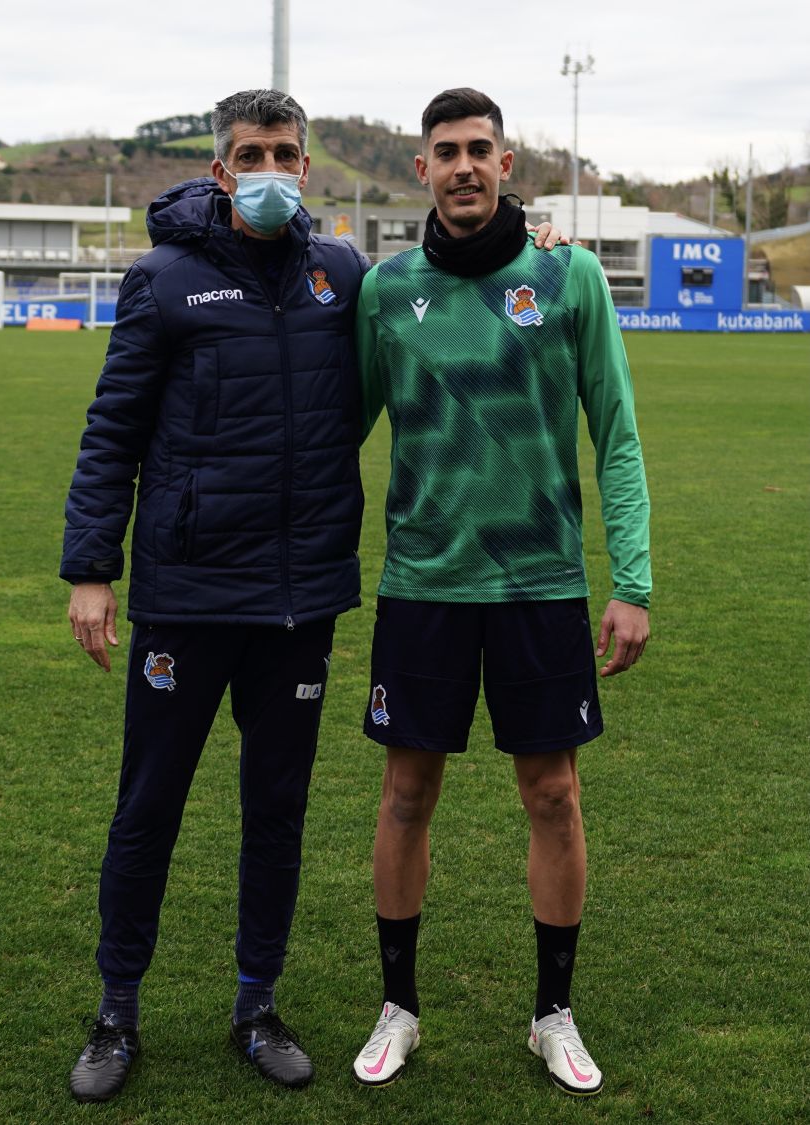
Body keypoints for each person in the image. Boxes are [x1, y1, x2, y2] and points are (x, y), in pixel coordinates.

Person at [61, 87, 565, 1104]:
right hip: (189, 595)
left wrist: (532, 245)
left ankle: (256, 1003)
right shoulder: (161, 281)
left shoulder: (344, 276)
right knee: (147, 807)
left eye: (285, 154)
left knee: (275, 812)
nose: (269, 171)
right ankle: (118, 1010)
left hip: (298, 602)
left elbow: (446, 282)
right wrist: (90, 569)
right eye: (250, 153)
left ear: (308, 170)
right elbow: (112, 428)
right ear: (219, 169)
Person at [351, 88, 651, 1098]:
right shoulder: (387, 292)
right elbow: (335, 434)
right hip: (424, 585)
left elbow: (616, 434)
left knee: (554, 795)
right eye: (447, 152)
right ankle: (399, 1009)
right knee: (405, 795)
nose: (466, 166)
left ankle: (552, 1015)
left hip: (539, 587)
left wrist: (634, 582)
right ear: (422, 170)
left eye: (481, 149)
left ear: (507, 162)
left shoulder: (568, 279)